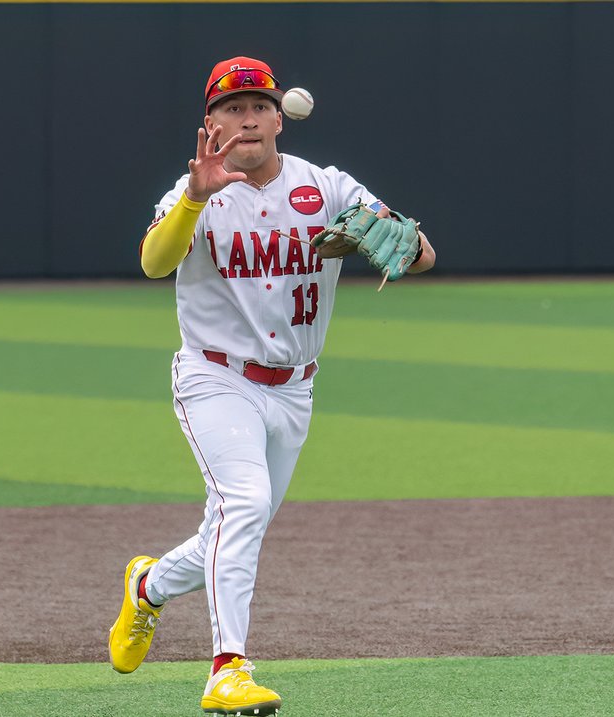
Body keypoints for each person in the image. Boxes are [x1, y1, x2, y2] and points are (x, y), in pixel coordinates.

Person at [107, 56, 435, 716]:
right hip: (214, 375)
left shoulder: (328, 187)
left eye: (258, 104)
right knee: (246, 502)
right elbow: (152, 261)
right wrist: (196, 196)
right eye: (232, 107)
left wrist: (391, 235)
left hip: (293, 391)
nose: (247, 116)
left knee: (232, 528)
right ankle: (228, 669)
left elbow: (422, 253)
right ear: (211, 124)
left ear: (279, 116)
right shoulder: (194, 188)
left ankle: (146, 586)